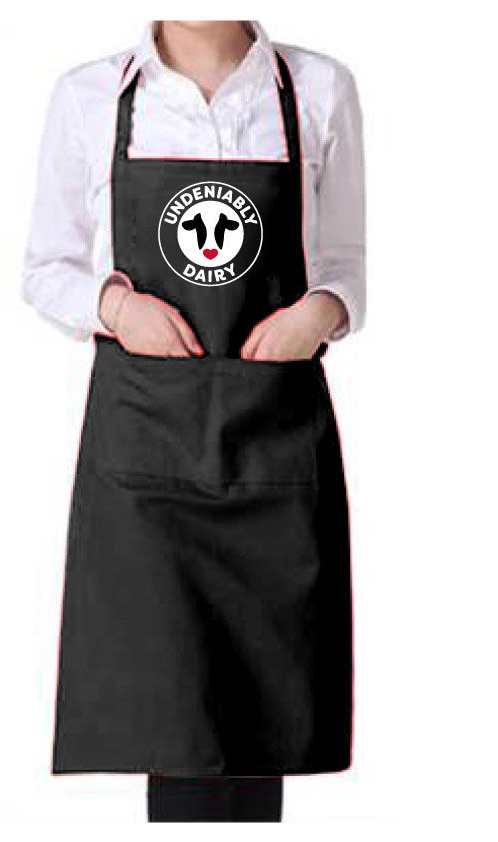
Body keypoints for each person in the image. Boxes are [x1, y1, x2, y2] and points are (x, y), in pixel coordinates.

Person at [23, 19, 365, 823]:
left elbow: (346, 265)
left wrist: (315, 313)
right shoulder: (90, 95)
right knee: (172, 717)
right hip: (147, 451)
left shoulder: (317, 90)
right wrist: (114, 308)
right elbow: (45, 269)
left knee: (262, 715)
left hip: (270, 441)